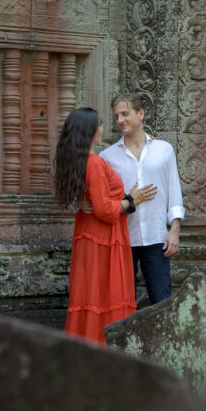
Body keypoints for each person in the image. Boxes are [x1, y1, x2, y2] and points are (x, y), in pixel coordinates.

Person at [53, 107, 155, 345]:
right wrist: (130, 201)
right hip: (103, 238)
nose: (102, 127)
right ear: (89, 130)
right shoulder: (95, 163)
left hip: (88, 235)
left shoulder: (78, 161)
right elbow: (104, 210)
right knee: (106, 295)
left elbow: (87, 201)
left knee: (91, 295)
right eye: (99, 123)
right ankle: (106, 349)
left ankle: (86, 345)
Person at [84, 93, 185, 305]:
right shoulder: (108, 157)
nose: (120, 120)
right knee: (122, 301)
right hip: (122, 239)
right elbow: (98, 195)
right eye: (116, 116)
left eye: (125, 114)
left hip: (157, 238)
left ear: (141, 113)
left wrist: (174, 230)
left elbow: (174, 190)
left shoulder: (164, 150)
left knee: (162, 301)